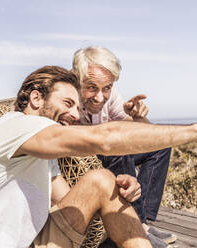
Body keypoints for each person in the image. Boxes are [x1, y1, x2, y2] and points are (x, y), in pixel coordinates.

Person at [0, 65, 197, 248]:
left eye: (77, 108)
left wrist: (117, 191)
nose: (73, 114)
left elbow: (64, 200)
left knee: (102, 180)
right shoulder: (17, 125)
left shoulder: (40, 150)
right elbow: (103, 138)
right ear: (36, 98)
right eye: (67, 103)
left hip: (32, 241)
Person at [71, 46, 171, 245]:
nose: (100, 97)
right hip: (79, 160)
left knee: (160, 148)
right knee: (118, 146)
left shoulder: (110, 94)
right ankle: (139, 226)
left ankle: (146, 221)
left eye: (106, 88)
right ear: (76, 78)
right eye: (91, 87)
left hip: (105, 153)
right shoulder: (67, 96)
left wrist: (137, 118)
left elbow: (143, 135)